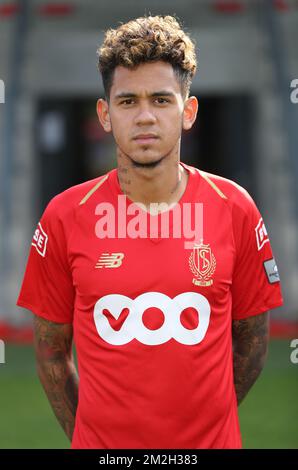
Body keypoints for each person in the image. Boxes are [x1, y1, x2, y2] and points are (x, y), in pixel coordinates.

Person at [17, 15, 283, 449]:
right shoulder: (65, 216)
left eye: (161, 100)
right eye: (127, 102)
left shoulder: (234, 207)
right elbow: (50, 351)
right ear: (104, 114)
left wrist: (203, 430)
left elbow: (252, 344)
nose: (145, 117)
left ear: (188, 111)